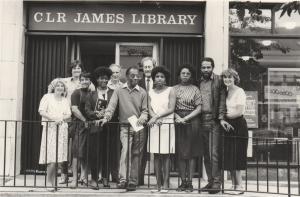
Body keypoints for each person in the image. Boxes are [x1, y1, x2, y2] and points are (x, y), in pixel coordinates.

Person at [98, 66, 148, 191]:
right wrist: (106, 117)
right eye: (132, 75)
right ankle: (123, 179)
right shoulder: (119, 90)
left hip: (138, 125)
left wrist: (143, 117)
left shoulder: (142, 92)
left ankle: (132, 181)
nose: (135, 78)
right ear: (127, 76)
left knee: (136, 154)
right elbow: (111, 106)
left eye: (137, 76)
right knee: (125, 151)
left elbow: (145, 110)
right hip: (125, 125)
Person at [48, 60, 94, 184]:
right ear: (71, 70)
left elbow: (92, 95)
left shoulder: (86, 81)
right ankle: (64, 174)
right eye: (74, 68)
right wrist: (49, 99)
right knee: (63, 147)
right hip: (65, 118)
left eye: (79, 68)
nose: (76, 70)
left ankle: (80, 176)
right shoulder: (65, 81)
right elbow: (52, 84)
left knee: (78, 149)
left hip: (77, 118)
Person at [198, 57, 229, 194]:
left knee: (214, 153)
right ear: (201, 68)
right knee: (206, 153)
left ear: (213, 67)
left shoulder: (218, 81)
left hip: (214, 120)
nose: (206, 69)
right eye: (203, 67)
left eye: (208, 67)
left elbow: (222, 101)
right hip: (201, 120)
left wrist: (221, 117)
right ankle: (210, 181)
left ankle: (217, 182)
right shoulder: (198, 82)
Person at [174, 65, 202, 192]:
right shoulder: (173, 89)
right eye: (183, 73)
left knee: (191, 153)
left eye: (188, 73)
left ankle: (190, 182)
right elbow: (170, 107)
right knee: (180, 152)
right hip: (177, 120)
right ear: (179, 75)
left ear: (191, 75)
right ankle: (183, 181)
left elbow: (199, 108)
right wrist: (178, 117)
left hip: (192, 121)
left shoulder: (195, 89)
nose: (185, 75)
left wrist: (186, 118)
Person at [38, 80, 71, 191]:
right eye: (58, 85)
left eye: (62, 86)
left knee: (58, 158)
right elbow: (41, 111)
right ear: (53, 87)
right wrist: (54, 119)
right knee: (51, 156)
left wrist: (60, 119)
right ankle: (48, 182)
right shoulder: (47, 97)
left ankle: (54, 182)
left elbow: (69, 114)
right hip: (51, 129)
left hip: (62, 129)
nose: (60, 87)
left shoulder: (65, 100)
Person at [147, 66, 176, 193]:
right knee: (156, 155)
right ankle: (157, 184)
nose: (159, 79)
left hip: (167, 125)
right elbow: (148, 108)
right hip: (155, 125)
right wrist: (154, 118)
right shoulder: (150, 91)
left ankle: (165, 184)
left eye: (162, 77)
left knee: (166, 155)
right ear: (153, 78)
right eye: (157, 76)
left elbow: (171, 108)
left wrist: (157, 117)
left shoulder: (171, 90)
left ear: (166, 79)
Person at [85, 67, 114, 189]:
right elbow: (87, 110)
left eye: (106, 78)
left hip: (109, 127)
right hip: (95, 127)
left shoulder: (113, 93)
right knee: (95, 153)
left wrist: (107, 115)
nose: (104, 80)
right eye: (102, 78)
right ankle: (94, 179)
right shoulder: (91, 94)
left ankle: (106, 178)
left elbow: (116, 108)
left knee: (108, 153)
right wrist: (95, 115)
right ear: (97, 79)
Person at [220, 68, 248, 195]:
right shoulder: (225, 92)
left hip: (238, 124)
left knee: (237, 155)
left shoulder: (239, 91)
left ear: (235, 78)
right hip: (228, 125)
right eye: (225, 77)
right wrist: (224, 120)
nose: (227, 79)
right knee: (230, 155)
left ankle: (240, 186)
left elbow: (239, 111)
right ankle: (233, 185)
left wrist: (225, 116)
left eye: (230, 77)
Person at [69, 72, 92, 188]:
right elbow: (75, 110)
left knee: (87, 152)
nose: (84, 81)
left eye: (87, 79)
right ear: (80, 81)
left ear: (90, 81)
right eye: (82, 79)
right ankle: (74, 179)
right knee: (77, 153)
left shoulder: (92, 93)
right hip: (79, 125)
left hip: (90, 126)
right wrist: (84, 120)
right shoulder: (76, 93)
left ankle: (84, 177)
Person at [138, 57, 157, 185]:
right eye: (145, 67)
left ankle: (160, 180)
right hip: (142, 120)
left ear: (154, 67)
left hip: (157, 119)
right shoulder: (138, 82)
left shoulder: (160, 80)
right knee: (141, 150)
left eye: (149, 67)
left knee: (158, 149)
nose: (147, 69)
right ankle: (139, 179)